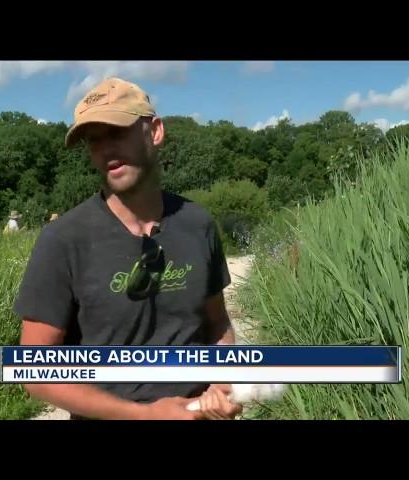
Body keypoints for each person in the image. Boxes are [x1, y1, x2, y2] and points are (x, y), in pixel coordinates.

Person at [13, 77, 242, 420]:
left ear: (155, 132)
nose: (106, 149)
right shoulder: (63, 239)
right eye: (94, 140)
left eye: (117, 132)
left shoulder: (199, 225)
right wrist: (143, 414)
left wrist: (223, 387)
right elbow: (33, 372)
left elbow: (217, 322)